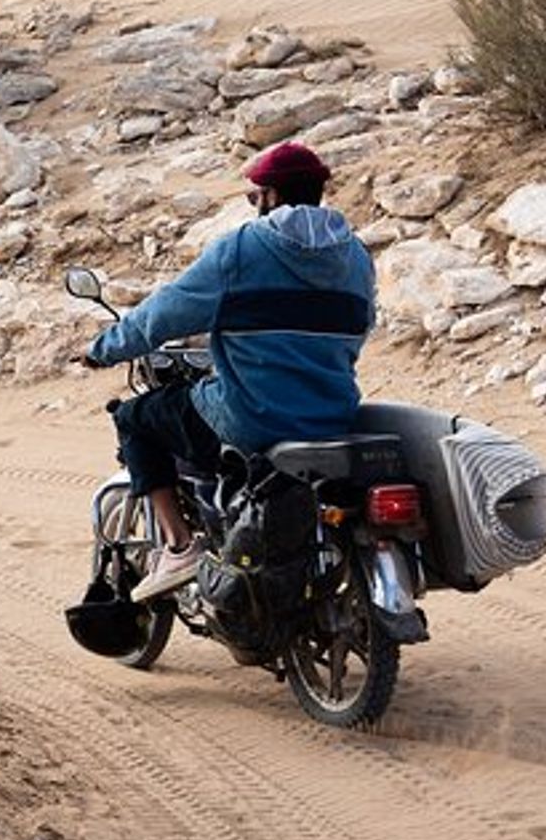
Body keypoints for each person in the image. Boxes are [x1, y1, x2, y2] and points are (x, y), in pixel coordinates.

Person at [81, 141, 376, 601]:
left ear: (271, 196)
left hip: (251, 415)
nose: (254, 206)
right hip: (334, 413)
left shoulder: (244, 248)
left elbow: (167, 311)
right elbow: (359, 328)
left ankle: (179, 546)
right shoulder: (355, 255)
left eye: (254, 197)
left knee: (135, 417)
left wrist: (105, 349)